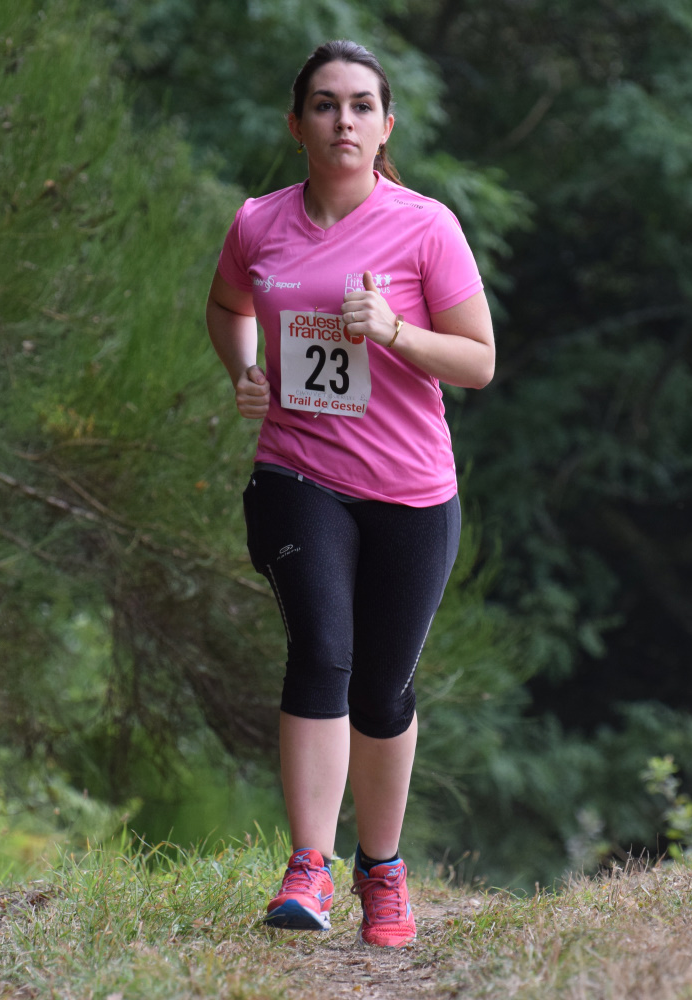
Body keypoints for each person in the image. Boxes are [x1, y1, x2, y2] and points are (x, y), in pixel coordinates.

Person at [205, 39, 494, 949]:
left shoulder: (426, 227)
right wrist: (245, 370)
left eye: (362, 106)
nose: (344, 121)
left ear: (386, 127)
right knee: (322, 654)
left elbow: (479, 361)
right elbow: (227, 307)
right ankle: (309, 865)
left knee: (381, 689)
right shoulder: (258, 223)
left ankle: (383, 869)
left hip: (412, 491)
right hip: (299, 473)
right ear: (297, 124)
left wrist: (397, 331)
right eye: (326, 105)